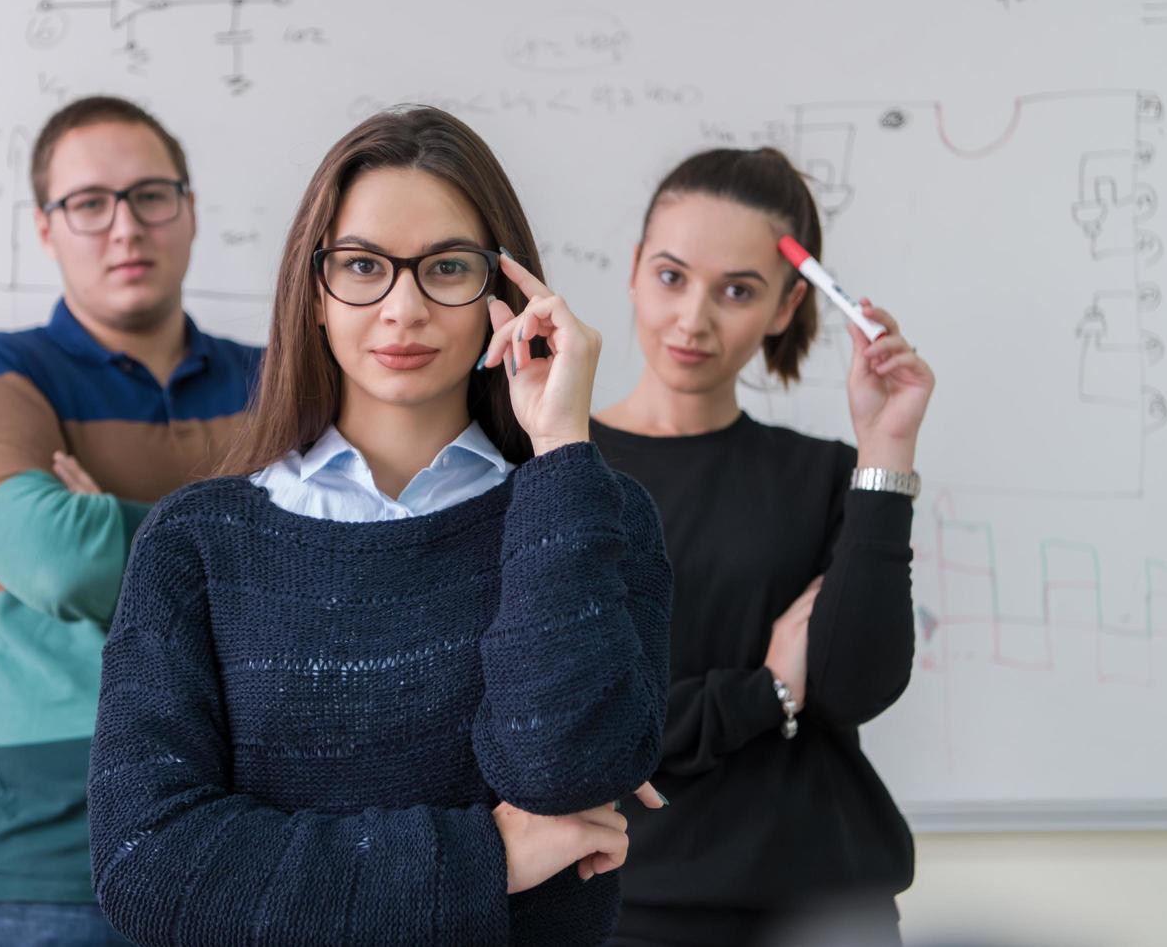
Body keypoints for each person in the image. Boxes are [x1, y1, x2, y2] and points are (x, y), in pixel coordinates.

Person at [86, 106, 672, 946]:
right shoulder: (197, 543)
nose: (403, 307)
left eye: (446, 267)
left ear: (501, 294)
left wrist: (559, 448)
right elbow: (151, 866)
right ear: (314, 293)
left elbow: (568, 765)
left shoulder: (591, 511)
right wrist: (485, 855)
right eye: (363, 266)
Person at [0, 95, 261, 946]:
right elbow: (62, 565)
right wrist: (265, 537)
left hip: (263, 846)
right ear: (45, 227)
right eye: (89, 203)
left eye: (151, 195)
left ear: (187, 209)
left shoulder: (283, 379)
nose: (125, 227)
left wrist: (108, 518)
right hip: (58, 870)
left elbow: (364, 567)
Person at [593, 147, 935, 946]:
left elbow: (855, 689)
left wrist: (887, 452)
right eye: (672, 277)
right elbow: (578, 723)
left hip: (826, 912)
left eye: (738, 291)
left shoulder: (827, 476)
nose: (693, 320)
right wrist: (769, 694)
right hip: (625, 914)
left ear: (785, 307)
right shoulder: (557, 472)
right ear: (636, 268)